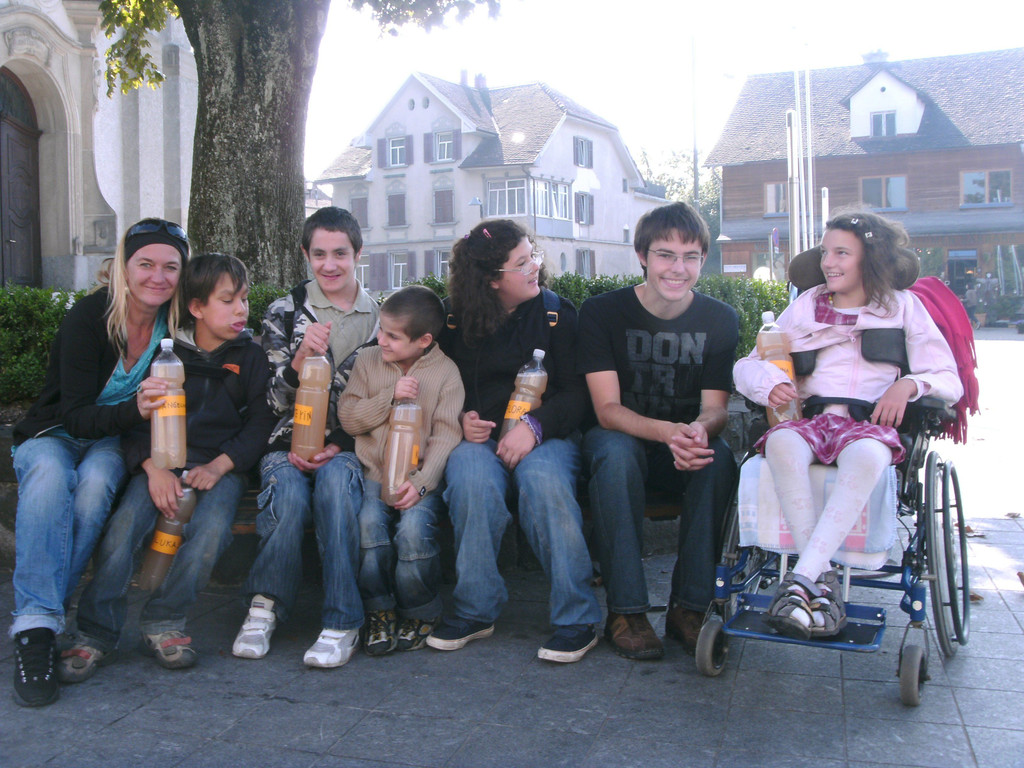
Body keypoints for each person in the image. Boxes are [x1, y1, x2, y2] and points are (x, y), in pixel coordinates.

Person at [733, 211, 963, 640]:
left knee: (869, 455)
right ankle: (817, 581)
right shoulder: (806, 306)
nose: (828, 262)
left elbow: (949, 378)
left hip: (867, 423)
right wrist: (769, 384)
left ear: (869, 259)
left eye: (842, 253)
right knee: (780, 444)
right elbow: (747, 365)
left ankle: (801, 581)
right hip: (811, 419)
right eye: (826, 252)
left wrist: (909, 385)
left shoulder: (902, 307)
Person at [56, 253, 275, 678]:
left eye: (245, 299)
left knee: (210, 533)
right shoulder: (165, 351)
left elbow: (261, 424)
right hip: (159, 462)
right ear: (196, 307)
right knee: (123, 528)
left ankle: (164, 620)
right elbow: (135, 416)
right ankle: (96, 631)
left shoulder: (250, 356)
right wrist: (151, 468)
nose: (241, 310)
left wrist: (221, 466)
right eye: (228, 300)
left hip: (221, 469)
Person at [9, 218, 188, 707]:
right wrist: (136, 411)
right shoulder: (89, 317)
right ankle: (36, 632)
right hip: (55, 433)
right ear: (123, 267)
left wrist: (149, 459)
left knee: (93, 488)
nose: (158, 276)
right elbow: (74, 414)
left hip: (111, 443)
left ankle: (43, 618)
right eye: (145, 264)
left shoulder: (172, 330)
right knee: (49, 478)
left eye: (170, 267)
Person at [426, 219, 603, 664]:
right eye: (522, 263)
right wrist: (459, 419)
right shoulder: (451, 319)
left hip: (546, 435)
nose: (535, 266)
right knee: (469, 478)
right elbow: (436, 385)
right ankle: (475, 610)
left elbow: (578, 394)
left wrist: (535, 427)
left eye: (533, 255)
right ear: (491, 280)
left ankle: (576, 618)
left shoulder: (557, 314)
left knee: (545, 482)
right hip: (479, 437)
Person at [578, 201, 739, 660]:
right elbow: (607, 410)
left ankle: (690, 607)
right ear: (642, 256)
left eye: (690, 257)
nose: (677, 268)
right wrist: (669, 432)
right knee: (614, 451)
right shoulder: (603, 312)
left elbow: (716, 410)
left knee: (719, 459)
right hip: (620, 442)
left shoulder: (720, 319)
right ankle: (626, 612)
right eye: (665, 255)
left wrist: (696, 433)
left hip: (679, 447)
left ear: (702, 261)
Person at [233, 207, 379, 668]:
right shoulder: (286, 310)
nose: (329, 265)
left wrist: (342, 444)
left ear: (358, 253)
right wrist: (298, 361)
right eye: (319, 254)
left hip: (349, 445)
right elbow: (270, 401)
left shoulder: (381, 319)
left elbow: (387, 403)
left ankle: (342, 620)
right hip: (285, 442)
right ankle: (264, 608)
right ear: (305, 254)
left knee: (336, 489)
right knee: (289, 494)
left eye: (340, 253)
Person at [338, 286, 464, 655]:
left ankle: (420, 609)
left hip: (419, 479)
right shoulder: (369, 361)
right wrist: (390, 396)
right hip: (374, 474)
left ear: (424, 340)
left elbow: (446, 435)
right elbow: (348, 418)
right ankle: (378, 609)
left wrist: (423, 482)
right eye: (381, 330)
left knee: (413, 533)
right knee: (368, 529)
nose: (381, 340)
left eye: (392, 336)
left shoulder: (446, 373)